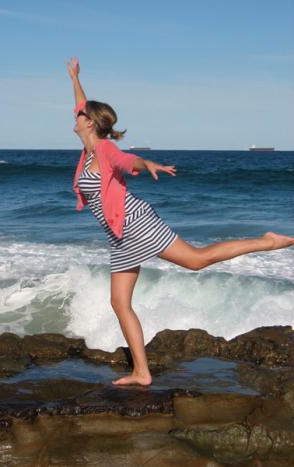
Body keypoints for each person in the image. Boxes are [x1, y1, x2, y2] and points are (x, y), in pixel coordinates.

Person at [67, 56, 294, 387]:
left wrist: (147, 164)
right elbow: (82, 104)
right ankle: (141, 372)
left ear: (90, 124)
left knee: (197, 260)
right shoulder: (86, 151)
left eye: (81, 116)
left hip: (137, 224)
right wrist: (74, 77)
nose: (76, 116)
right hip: (119, 235)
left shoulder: (103, 150)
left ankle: (268, 241)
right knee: (119, 302)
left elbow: (127, 158)